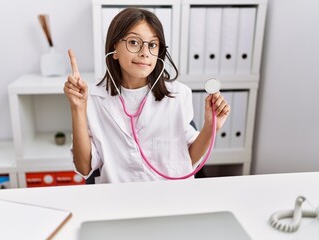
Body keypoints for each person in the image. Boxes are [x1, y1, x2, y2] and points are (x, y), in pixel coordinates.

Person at [64, 7, 230, 183]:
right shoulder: (94, 98)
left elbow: (188, 158)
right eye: (134, 42)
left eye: (152, 45)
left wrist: (211, 127)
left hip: (170, 197)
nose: (144, 53)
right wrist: (77, 109)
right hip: (119, 199)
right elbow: (84, 167)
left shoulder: (179, 95)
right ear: (114, 48)